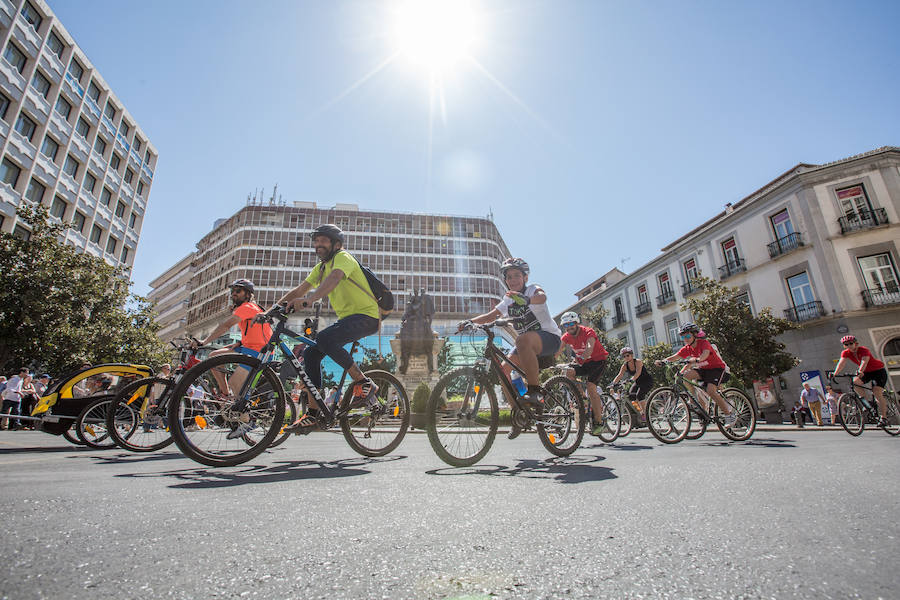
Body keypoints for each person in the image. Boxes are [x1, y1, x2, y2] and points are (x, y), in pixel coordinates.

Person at [263, 224, 381, 433]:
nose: (318, 244)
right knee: (310, 354)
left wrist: (311, 299)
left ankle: (364, 382)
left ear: (336, 244)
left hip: (367, 316)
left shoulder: (343, 258)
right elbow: (300, 289)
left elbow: (335, 279)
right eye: (316, 241)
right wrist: (272, 309)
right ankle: (314, 414)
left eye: (323, 240)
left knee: (326, 339)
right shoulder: (321, 268)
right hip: (347, 320)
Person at [457, 257, 562, 439]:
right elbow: (490, 315)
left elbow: (542, 296)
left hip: (549, 339)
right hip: (526, 345)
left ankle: (534, 391)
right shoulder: (507, 301)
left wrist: (527, 300)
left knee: (521, 340)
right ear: (505, 280)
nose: (513, 280)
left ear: (525, 277)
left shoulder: (532, 290)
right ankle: (518, 413)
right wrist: (470, 322)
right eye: (509, 277)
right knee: (503, 370)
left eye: (517, 276)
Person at [190, 278, 273, 439]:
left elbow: (226, 326)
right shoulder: (243, 308)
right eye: (233, 291)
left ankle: (247, 421)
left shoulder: (248, 307)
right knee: (213, 357)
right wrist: (240, 342)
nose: (234, 294)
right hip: (247, 347)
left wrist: (204, 341)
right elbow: (254, 330)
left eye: (238, 291)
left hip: (259, 352)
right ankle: (227, 396)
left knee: (236, 382)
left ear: (248, 294)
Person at [655, 323, 736, 426]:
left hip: (718, 370)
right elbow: (676, 357)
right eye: (683, 337)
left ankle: (729, 415)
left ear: (694, 335)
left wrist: (697, 359)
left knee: (711, 391)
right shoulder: (687, 348)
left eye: (688, 336)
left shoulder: (703, 343)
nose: (686, 338)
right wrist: (663, 361)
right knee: (685, 376)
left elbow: (705, 354)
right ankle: (693, 400)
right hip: (704, 371)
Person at [558, 311, 609, 436]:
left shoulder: (588, 332)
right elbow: (557, 350)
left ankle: (598, 422)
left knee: (591, 388)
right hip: (583, 363)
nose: (569, 327)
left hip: (598, 361)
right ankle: (582, 398)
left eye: (571, 324)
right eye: (566, 325)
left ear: (576, 323)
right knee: (568, 372)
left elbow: (589, 348)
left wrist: (580, 358)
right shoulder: (566, 337)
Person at [832, 335, 890, 425]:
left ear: (856, 343)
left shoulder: (863, 350)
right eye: (846, 344)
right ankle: (867, 403)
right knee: (855, 382)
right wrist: (834, 374)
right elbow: (841, 363)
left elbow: (864, 361)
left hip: (878, 371)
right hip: (866, 372)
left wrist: (860, 371)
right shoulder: (845, 353)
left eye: (851, 343)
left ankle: (884, 418)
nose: (849, 346)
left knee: (877, 392)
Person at [610, 347, 654, 424]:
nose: (626, 357)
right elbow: (619, 375)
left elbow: (638, 373)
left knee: (640, 395)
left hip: (647, 381)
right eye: (624, 356)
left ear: (632, 355)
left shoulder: (638, 362)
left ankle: (646, 414)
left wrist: (631, 379)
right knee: (631, 396)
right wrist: (612, 384)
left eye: (627, 355)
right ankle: (640, 411)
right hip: (637, 382)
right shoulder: (625, 366)